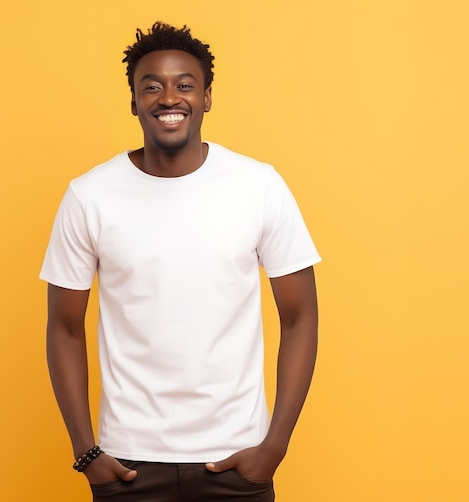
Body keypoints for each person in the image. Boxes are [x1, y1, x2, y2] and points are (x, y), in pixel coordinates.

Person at [40, 21, 321, 502]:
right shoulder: (89, 196)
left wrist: (273, 447)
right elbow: (64, 328)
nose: (169, 97)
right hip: (128, 465)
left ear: (207, 97)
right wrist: (87, 453)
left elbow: (300, 317)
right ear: (133, 102)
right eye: (152, 86)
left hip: (237, 459)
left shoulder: (258, 186)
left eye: (184, 85)